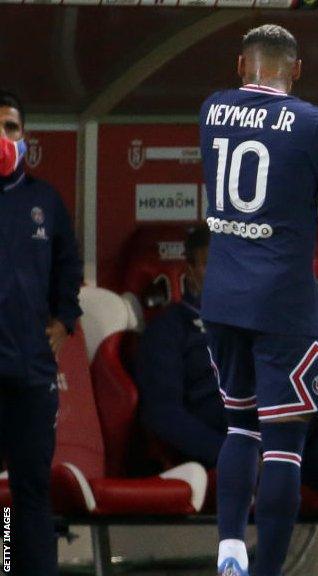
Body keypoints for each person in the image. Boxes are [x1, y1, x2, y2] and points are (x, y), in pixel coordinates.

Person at [135, 225, 318, 576]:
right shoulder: (171, 329)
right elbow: (163, 413)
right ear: (191, 270)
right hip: (239, 436)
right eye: (210, 265)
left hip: (296, 426)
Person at [199, 25, 318, 576]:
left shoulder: (213, 109)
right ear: (298, 71)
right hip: (282, 303)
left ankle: (229, 548)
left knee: (239, 426)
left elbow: (276, 145)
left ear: (241, 66)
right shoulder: (315, 125)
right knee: (284, 443)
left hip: (223, 298)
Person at [0, 89, 83, 576]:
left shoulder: (44, 202)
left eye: (11, 128)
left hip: (30, 375)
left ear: (25, 138)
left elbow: (67, 268)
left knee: (30, 493)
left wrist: (64, 320)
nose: (3, 138)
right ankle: (2, 563)